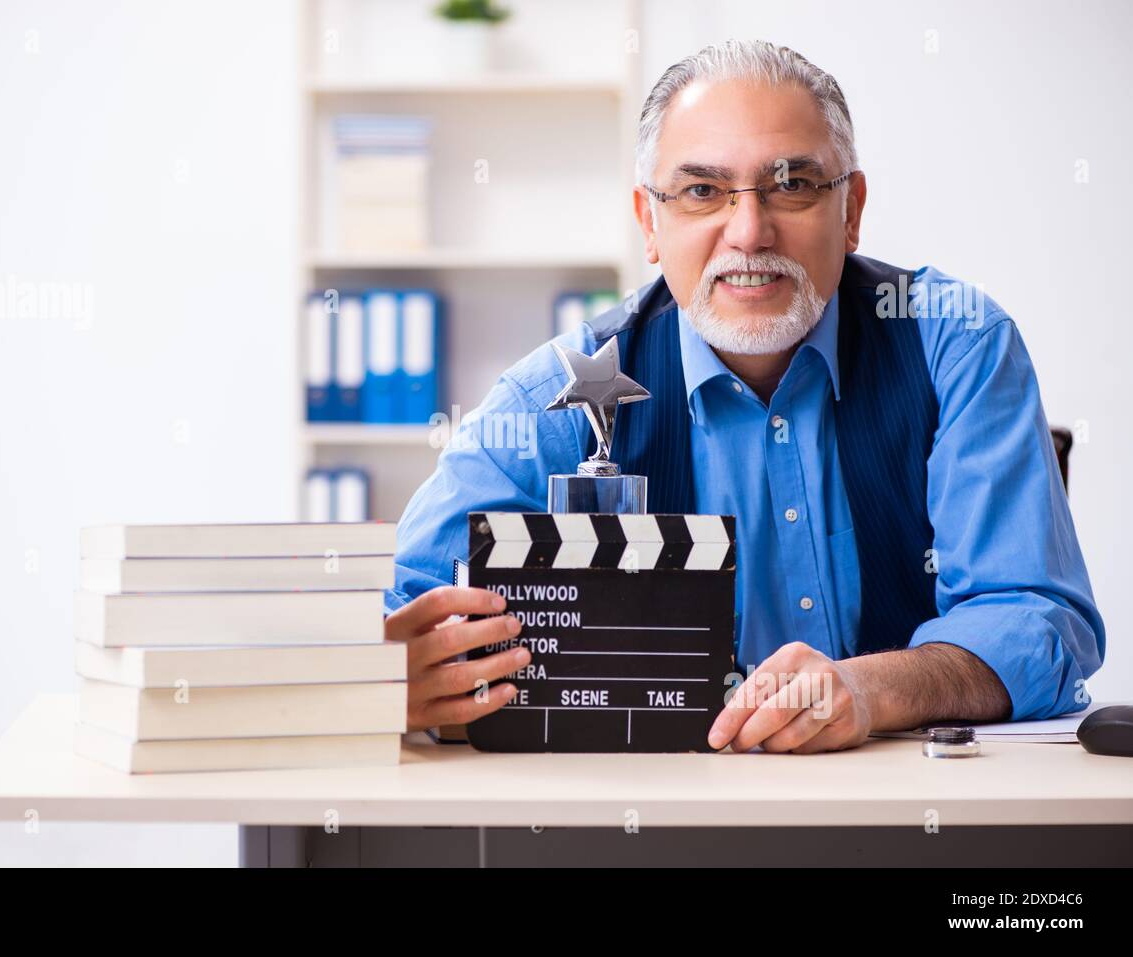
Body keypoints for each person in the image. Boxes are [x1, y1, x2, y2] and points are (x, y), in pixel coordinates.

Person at [383, 40, 1104, 754]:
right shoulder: (559, 399)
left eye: (791, 185)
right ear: (650, 224)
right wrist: (391, 681)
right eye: (702, 191)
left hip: (914, 813)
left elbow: (1039, 620)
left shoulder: (956, 347)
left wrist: (871, 688)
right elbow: (397, 616)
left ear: (851, 209)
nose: (750, 231)